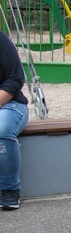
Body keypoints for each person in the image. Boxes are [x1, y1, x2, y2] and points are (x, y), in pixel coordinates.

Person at [0, 30, 29, 210]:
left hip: (9, 103)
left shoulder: (1, 41)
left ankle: (9, 190)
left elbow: (15, 79)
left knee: (2, 129)